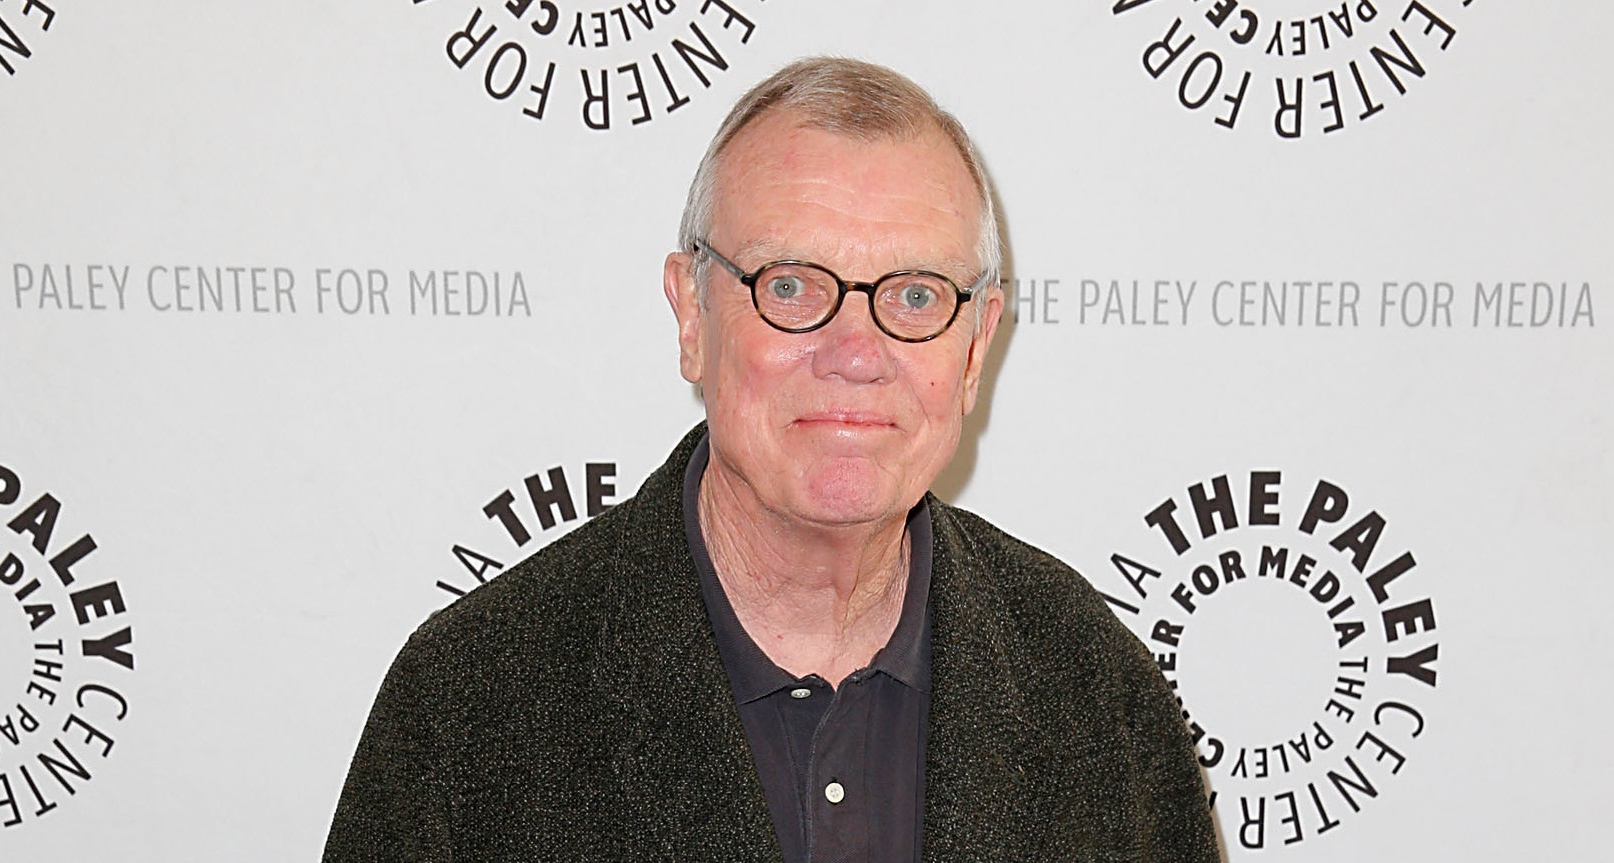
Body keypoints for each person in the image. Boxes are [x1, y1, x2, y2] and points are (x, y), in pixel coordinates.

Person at [323, 57, 1219, 863]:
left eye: (916, 295)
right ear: (690, 317)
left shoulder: (1092, 688)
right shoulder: (473, 704)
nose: (855, 350)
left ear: (977, 347)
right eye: (790, 285)